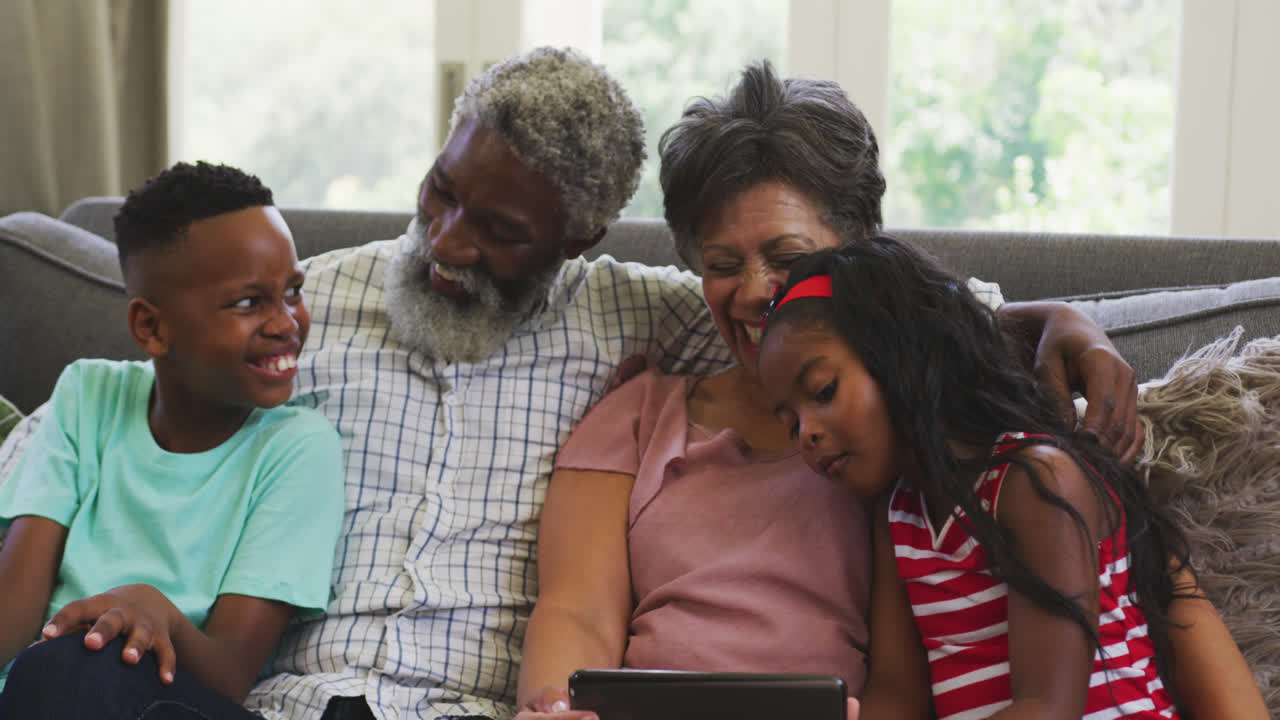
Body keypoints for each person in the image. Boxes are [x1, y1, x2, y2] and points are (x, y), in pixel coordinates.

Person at [0, 48, 1142, 720]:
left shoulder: (644, 316)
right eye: (440, 192)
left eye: (498, 230)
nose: (448, 242)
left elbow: (888, 319)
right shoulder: (305, 301)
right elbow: (111, 402)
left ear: (577, 237)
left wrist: (1062, 321)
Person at [515, 60, 1142, 720]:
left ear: (860, 248)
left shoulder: (899, 430)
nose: (754, 291)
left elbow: (956, 336)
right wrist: (552, 708)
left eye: (787, 258)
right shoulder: (636, 418)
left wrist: (1070, 326)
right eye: (722, 265)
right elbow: (577, 612)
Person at [755, 238, 1268, 719]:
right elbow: (898, 691)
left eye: (823, 391)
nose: (808, 434)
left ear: (900, 351)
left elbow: (1049, 706)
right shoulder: (899, 517)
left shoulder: (1033, 481)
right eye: (791, 423)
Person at [0, 161, 345, 718]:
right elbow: (11, 619)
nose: (286, 323)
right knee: (55, 665)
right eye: (248, 302)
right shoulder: (88, 394)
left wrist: (157, 612)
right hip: (44, 684)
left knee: (77, 664)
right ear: (151, 328)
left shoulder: (298, 448)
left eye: (292, 292)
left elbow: (230, 676)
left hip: (173, 697)